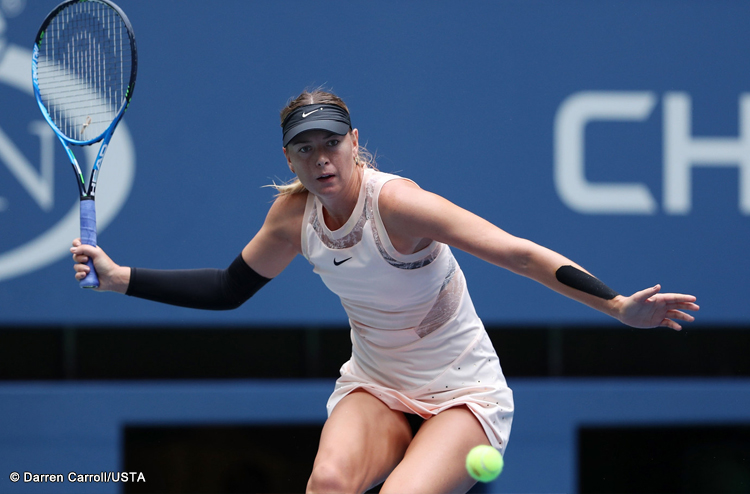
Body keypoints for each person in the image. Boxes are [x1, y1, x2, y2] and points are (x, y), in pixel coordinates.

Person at [70, 89, 699, 494]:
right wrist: (120, 278)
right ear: (288, 159)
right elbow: (229, 288)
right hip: (376, 383)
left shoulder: (398, 205)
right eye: (305, 148)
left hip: (464, 392)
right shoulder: (292, 219)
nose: (321, 158)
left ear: (354, 142)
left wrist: (617, 305)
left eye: (331, 142)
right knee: (328, 483)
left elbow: (518, 253)